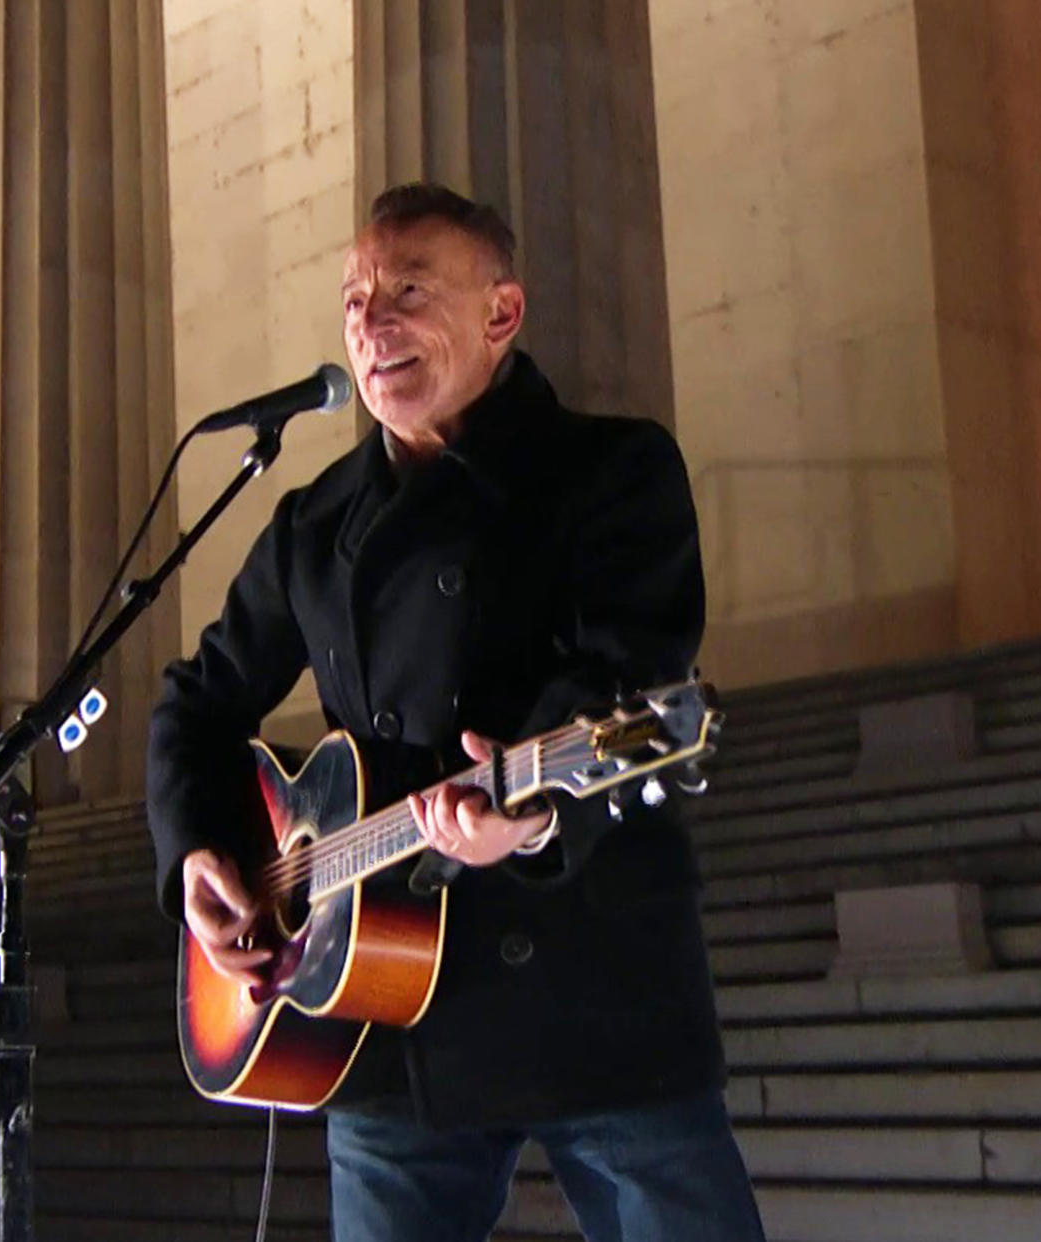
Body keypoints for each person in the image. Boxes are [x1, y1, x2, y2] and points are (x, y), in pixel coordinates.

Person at [146, 183, 764, 1242]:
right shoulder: (312, 523)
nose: (371, 322)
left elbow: (626, 672)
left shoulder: (613, 469)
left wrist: (525, 815)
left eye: (409, 290)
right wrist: (200, 846)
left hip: (595, 990)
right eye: (355, 297)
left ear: (502, 314)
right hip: (383, 1027)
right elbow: (198, 700)